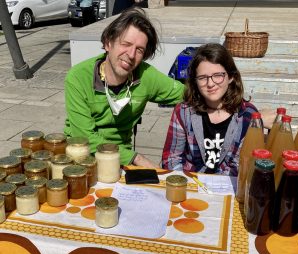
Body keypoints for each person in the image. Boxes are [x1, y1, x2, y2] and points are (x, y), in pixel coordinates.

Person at [64, 8, 184, 168]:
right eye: (126, 44)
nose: (131, 54)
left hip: (120, 161)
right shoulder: (78, 77)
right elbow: (85, 137)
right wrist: (136, 158)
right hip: (81, 157)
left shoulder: (146, 75)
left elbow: (189, 94)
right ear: (108, 43)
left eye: (139, 50)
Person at [161, 43, 261, 176]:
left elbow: (243, 164)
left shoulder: (247, 115)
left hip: (229, 187)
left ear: (231, 77)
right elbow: (172, 159)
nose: (210, 84)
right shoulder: (184, 112)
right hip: (191, 185)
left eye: (218, 75)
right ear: (195, 81)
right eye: (202, 78)